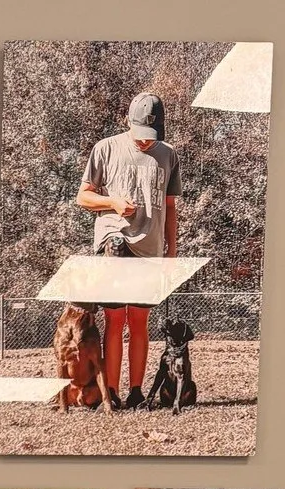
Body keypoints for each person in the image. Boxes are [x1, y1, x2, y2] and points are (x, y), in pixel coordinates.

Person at [75, 93, 181, 408]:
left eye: (152, 136)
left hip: (150, 250)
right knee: (114, 318)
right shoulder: (105, 149)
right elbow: (83, 197)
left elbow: (171, 206)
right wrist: (112, 202)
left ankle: (135, 393)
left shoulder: (169, 155)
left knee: (138, 322)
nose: (146, 142)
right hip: (114, 242)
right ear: (127, 123)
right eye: (140, 135)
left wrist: (171, 251)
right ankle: (113, 393)